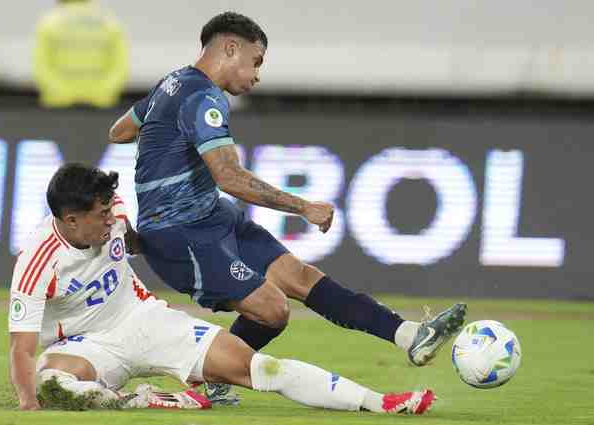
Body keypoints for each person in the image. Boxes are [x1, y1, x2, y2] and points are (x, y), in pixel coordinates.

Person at [108, 12, 466, 402]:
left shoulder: (171, 84)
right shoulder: (204, 97)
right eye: (256, 61)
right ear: (231, 48)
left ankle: (412, 335)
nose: (257, 75)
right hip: (182, 233)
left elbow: (120, 130)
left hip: (213, 215)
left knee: (300, 276)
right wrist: (304, 207)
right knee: (273, 310)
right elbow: (229, 176)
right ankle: (210, 376)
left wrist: (166, 144)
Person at [8, 162, 436, 415]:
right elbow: (21, 349)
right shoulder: (37, 261)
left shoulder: (115, 213)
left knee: (260, 368)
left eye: (109, 210)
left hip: (144, 320)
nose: (110, 219)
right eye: (100, 215)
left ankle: (379, 402)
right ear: (70, 221)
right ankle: (134, 400)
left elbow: (136, 241)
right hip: (85, 346)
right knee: (51, 382)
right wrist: (29, 406)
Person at [33, 0, 128, 108]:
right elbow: (120, 67)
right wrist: (99, 92)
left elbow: (41, 67)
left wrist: (64, 93)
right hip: (100, 105)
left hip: (58, 104)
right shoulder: (110, 23)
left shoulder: (49, 23)